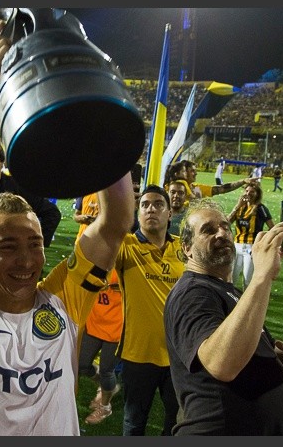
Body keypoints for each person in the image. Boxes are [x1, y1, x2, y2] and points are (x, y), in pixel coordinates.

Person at [0, 21, 134, 435]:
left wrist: (99, 113)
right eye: (8, 246)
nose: (26, 260)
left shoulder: (65, 300)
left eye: (35, 244)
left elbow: (115, 223)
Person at [163, 198, 283, 435]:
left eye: (225, 227)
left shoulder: (227, 290)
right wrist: (261, 276)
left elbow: (245, 351)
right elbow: (221, 365)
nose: (222, 234)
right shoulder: (192, 293)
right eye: (208, 230)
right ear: (187, 247)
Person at [115, 184, 184, 436]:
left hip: (178, 355)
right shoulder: (126, 246)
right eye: (144, 205)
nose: (150, 209)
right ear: (137, 212)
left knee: (177, 423)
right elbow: (104, 234)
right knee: (134, 423)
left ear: (170, 213)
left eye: (158, 204)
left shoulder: (185, 250)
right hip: (137, 355)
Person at [0, 138, 62, 287]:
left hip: (10, 264)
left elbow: (52, 213)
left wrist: (36, 244)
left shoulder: (16, 187)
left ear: (2, 162)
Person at [78, 268, 123, 425]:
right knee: (82, 364)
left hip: (117, 327)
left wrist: (118, 285)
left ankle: (105, 406)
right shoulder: (93, 259)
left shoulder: (126, 261)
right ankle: (107, 387)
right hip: (94, 322)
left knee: (106, 370)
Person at [228, 182, 275, 288]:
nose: (248, 193)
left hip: (251, 247)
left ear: (257, 194)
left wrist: (263, 241)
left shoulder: (261, 208)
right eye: (247, 191)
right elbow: (227, 223)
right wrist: (236, 206)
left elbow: (272, 227)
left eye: (252, 192)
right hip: (236, 246)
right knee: (231, 279)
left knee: (247, 280)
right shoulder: (240, 207)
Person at [165, 159, 258, 203]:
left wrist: (243, 181)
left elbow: (222, 189)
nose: (196, 174)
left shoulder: (196, 187)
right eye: (192, 171)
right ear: (184, 172)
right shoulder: (171, 188)